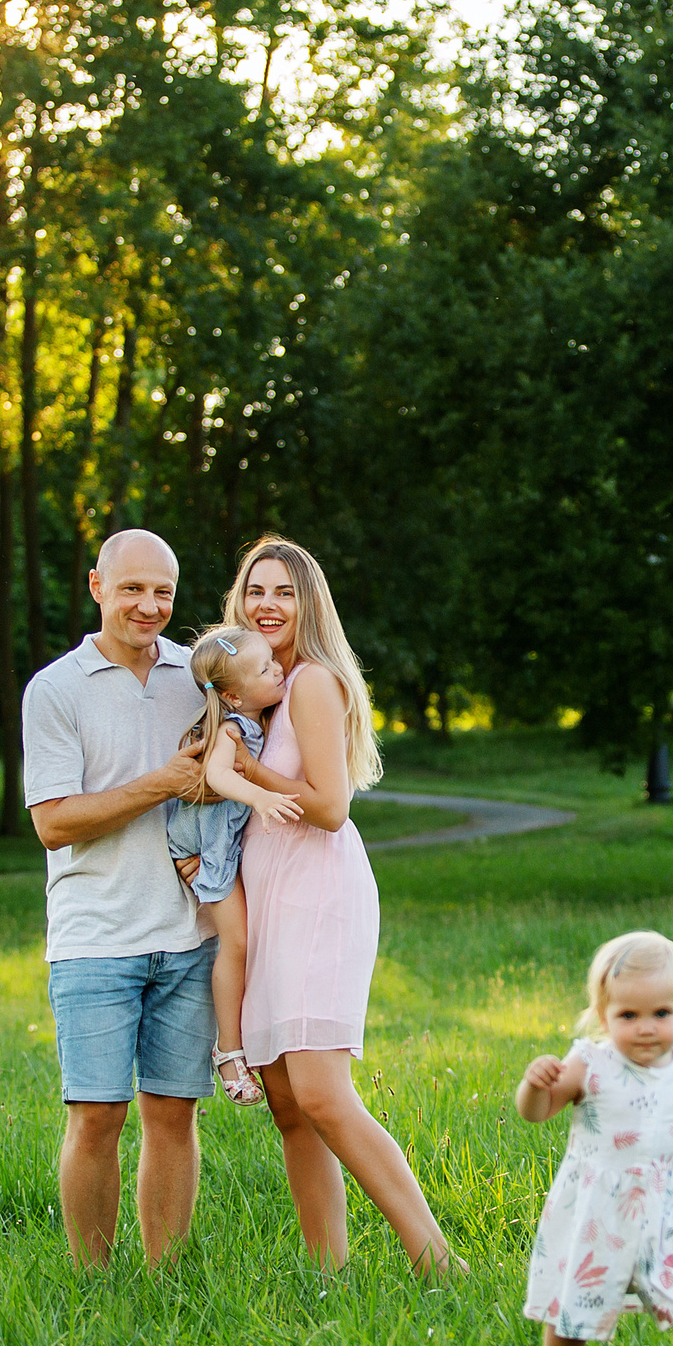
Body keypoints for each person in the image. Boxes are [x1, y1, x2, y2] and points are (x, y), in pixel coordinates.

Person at [226, 535, 462, 1273]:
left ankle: (437, 1260)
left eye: (284, 592)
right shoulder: (262, 687)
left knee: (323, 1092)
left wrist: (247, 770)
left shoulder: (314, 684)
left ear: (308, 603)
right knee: (287, 1100)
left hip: (317, 893)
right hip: (268, 894)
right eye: (256, 590)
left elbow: (329, 806)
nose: (268, 604)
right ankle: (329, 1270)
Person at [22, 529, 228, 1268]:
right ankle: (93, 1281)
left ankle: (164, 1277)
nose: (149, 605)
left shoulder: (198, 676)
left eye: (163, 592)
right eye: (133, 588)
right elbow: (54, 823)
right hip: (94, 937)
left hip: (188, 934)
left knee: (173, 1113)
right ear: (96, 586)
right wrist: (163, 783)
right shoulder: (56, 689)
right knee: (96, 1114)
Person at [514, 930, 673, 1346]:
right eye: (628, 1015)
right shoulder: (590, 1066)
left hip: (667, 1215)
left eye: (661, 1013)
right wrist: (535, 1086)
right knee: (570, 1316)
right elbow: (537, 1114)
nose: (645, 1027)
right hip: (597, 1216)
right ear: (603, 1016)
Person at [163, 623, 301, 1108]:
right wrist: (261, 796)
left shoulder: (259, 718)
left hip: (216, 843)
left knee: (245, 940)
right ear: (233, 697)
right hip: (206, 845)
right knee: (236, 942)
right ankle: (229, 1049)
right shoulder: (232, 727)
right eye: (265, 668)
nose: (278, 667)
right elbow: (219, 774)